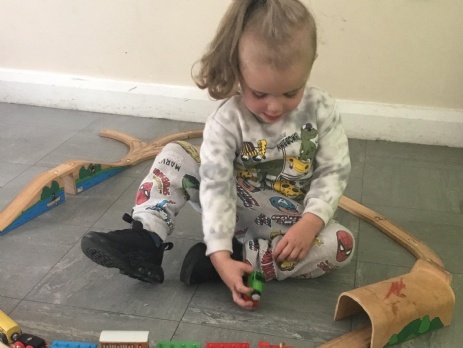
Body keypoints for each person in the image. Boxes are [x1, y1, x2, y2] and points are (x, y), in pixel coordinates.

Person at [81, 0, 355, 309]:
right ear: (237, 70)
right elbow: (217, 187)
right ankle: (146, 238)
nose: (274, 107)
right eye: (259, 93)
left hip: (291, 224)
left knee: (341, 244)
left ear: (310, 64)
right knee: (175, 154)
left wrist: (311, 223)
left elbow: (333, 170)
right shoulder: (226, 120)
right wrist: (219, 247)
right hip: (232, 208)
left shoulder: (322, 110)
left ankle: (242, 257)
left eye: (291, 92)